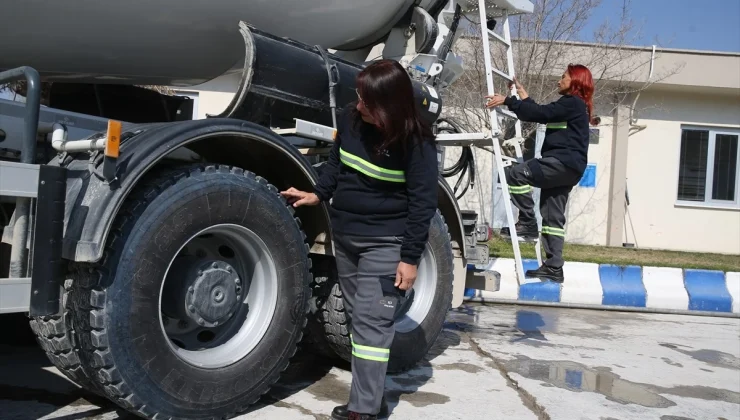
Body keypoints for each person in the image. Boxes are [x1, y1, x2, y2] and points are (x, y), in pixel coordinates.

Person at [280, 59, 438, 420]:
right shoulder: (353, 121)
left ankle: (363, 410)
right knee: (357, 319)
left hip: (386, 243)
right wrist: (317, 193)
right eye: (359, 97)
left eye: (367, 101)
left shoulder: (417, 143)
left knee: (371, 324)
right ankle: (373, 397)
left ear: (389, 106)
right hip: (347, 239)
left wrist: (410, 258)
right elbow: (337, 164)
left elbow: (423, 204)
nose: (359, 105)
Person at [485, 64, 597, 283]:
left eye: (563, 77)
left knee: (515, 174)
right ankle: (554, 267)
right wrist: (523, 95)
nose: (559, 80)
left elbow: (541, 114)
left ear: (575, 82)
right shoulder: (577, 105)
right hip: (571, 168)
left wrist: (509, 101)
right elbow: (541, 112)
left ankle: (526, 221)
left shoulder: (572, 102)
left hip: (561, 163)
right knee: (552, 217)